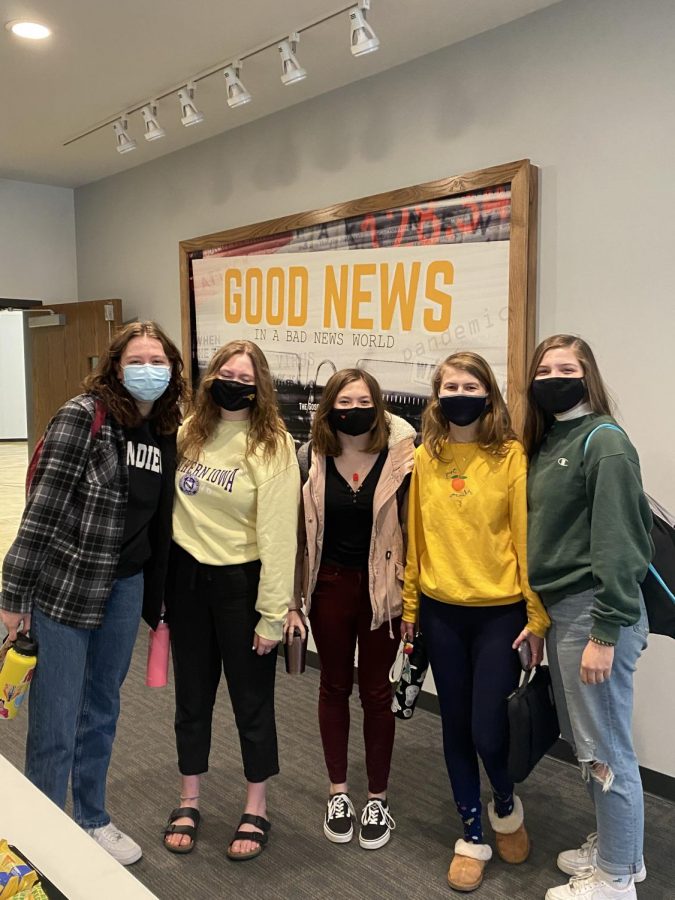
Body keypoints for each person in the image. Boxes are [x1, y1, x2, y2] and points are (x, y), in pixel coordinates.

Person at [0, 321, 185, 865]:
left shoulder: (165, 429)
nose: (148, 369)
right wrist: (13, 597)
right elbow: (41, 510)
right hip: (64, 587)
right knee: (56, 717)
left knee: (101, 707)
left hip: (124, 588)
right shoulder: (84, 418)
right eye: (137, 359)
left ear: (172, 369)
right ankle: (39, 837)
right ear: (116, 365)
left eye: (158, 360)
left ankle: (89, 818)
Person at [401, 351, 550, 892]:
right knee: (455, 727)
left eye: (470, 384)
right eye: (449, 386)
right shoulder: (426, 456)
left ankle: (505, 803)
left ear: (487, 393)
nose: (459, 393)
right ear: (437, 397)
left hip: (500, 616)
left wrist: (537, 617)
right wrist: (411, 610)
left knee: (490, 728)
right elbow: (417, 540)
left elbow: (525, 540)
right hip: (442, 614)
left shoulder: (510, 456)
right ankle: (471, 832)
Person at [524, 335, 653, 900]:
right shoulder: (556, 437)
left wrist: (604, 631)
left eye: (566, 368)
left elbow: (620, 546)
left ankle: (616, 878)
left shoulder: (605, 443)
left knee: (604, 746)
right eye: (544, 368)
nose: (553, 376)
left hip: (596, 613)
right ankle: (619, 847)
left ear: (588, 375)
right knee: (591, 740)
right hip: (565, 612)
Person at [162, 339, 299, 861]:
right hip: (188, 582)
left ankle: (256, 806)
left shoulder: (272, 444)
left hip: (242, 588)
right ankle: (189, 797)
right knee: (192, 699)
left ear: (259, 387)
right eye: (226, 373)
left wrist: (272, 615)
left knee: (251, 704)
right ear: (210, 377)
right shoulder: (189, 432)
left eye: (246, 378)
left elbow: (280, 536)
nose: (234, 384)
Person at [286, 367, 415, 850]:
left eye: (363, 402)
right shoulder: (310, 458)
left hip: (383, 590)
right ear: (328, 409)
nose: (353, 411)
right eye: (343, 403)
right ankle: (339, 792)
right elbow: (299, 534)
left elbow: (414, 529)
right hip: (328, 589)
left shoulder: (402, 459)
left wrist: (413, 602)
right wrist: (293, 601)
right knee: (334, 686)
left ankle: (376, 798)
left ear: (377, 406)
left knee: (377, 693)